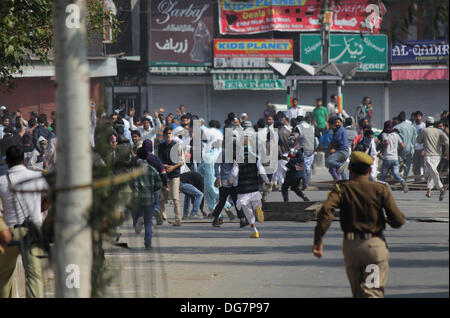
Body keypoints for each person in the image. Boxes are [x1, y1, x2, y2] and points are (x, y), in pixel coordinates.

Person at [313, 151, 406, 298]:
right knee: (372, 292)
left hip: (351, 248)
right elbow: (399, 220)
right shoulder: (380, 189)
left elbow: (326, 211)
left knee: (357, 294)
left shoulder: (342, 188)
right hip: (373, 248)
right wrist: (387, 221)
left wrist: (318, 241)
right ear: (369, 170)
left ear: (350, 170)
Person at [0, 145, 49, 298]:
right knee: (34, 277)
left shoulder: (1, 181)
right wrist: (40, 208)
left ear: (6, 161)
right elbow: (50, 197)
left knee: (3, 276)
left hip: (9, 233)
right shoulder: (37, 177)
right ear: (24, 160)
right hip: (33, 232)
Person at [230, 142, 271, 238]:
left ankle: (255, 231)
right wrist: (267, 181)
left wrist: (230, 181)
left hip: (243, 190)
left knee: (248, 212)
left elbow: (234, 173)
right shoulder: (256, 159)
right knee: (256, 204)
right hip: (254, 188)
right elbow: (262, 171)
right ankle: (258, 208)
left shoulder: (238, 160)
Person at [131, 147, 162, 250]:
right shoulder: (152, 169)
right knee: (148, 223)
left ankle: (137, 222)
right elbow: (158, 184)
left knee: (136, 218)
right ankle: (148, 244)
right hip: (150, 200)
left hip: (137, 199)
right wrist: (152, 190)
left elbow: (131, 184)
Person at [212, 141, 247, 228]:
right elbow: (216, 165)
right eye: (235, 151)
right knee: (222, 202)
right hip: (224, 182)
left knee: (237, 201)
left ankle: (242, 219)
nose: (236, 153)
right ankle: (216, 218)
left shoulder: (239, 155)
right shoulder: (223, 154)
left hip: (235, 182)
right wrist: (218, 177)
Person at [417, 117, 449, 201]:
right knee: (432, 172)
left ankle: (441, 188)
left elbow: (418, 140)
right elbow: (447, 141)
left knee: (433, 172)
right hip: (438, 155)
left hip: (428, 155)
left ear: (427, 123)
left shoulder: (424, 130)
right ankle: (429, 190)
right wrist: (447, 151)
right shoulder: (439, 131)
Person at [157, 127, 184, 226]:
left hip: (174, 175)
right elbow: (158, 160)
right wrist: (164, 166)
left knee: (175, 198)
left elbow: (181, 161)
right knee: (162, 199)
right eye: (167, 133)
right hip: (164, 175)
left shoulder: (177, 146)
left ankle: (178, 219)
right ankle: (163, 217)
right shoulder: (160, 146)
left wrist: (172, 167)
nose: (169, 135)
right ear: (164, 136)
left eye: (170, 133)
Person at [378, 120, 409, 193]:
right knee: (395, 174)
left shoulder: (384, 134)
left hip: (387, 158)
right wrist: (398, 152)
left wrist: (381, 152)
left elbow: (386, 142)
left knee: (383, 176)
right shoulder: (396, 134)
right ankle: (402, 181)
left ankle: (381, 191)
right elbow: (402, 145)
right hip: (395, 158)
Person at [394, 111, 417, 178]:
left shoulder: (397, 127)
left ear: (398, 120)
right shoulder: (412, 127)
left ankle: (398, 180)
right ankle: (405, 180)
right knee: (408, 167)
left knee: (397, 166)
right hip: (410, 149)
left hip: (401, 150)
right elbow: (414, 140)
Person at [295, 116, 316, 185]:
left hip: (303, 149)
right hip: (311, 150)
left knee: (301, 167)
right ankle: (307, 181)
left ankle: (304, 183)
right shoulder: (311, 127)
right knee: (308, 167)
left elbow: (295, 139)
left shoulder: (298, 127)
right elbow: (315, 139)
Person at [412, 111, 426, 181]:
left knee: (424, 166)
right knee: (416, 166)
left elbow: (426, 138)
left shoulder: (424, 126)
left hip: (423, 149)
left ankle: (426, 181)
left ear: (421, 117)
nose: (417, 118)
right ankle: (417, 181)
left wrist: (424, 149)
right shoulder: (412, 126)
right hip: (415, 149)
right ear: (414, 117)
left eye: (419, 116)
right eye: (416, 116)